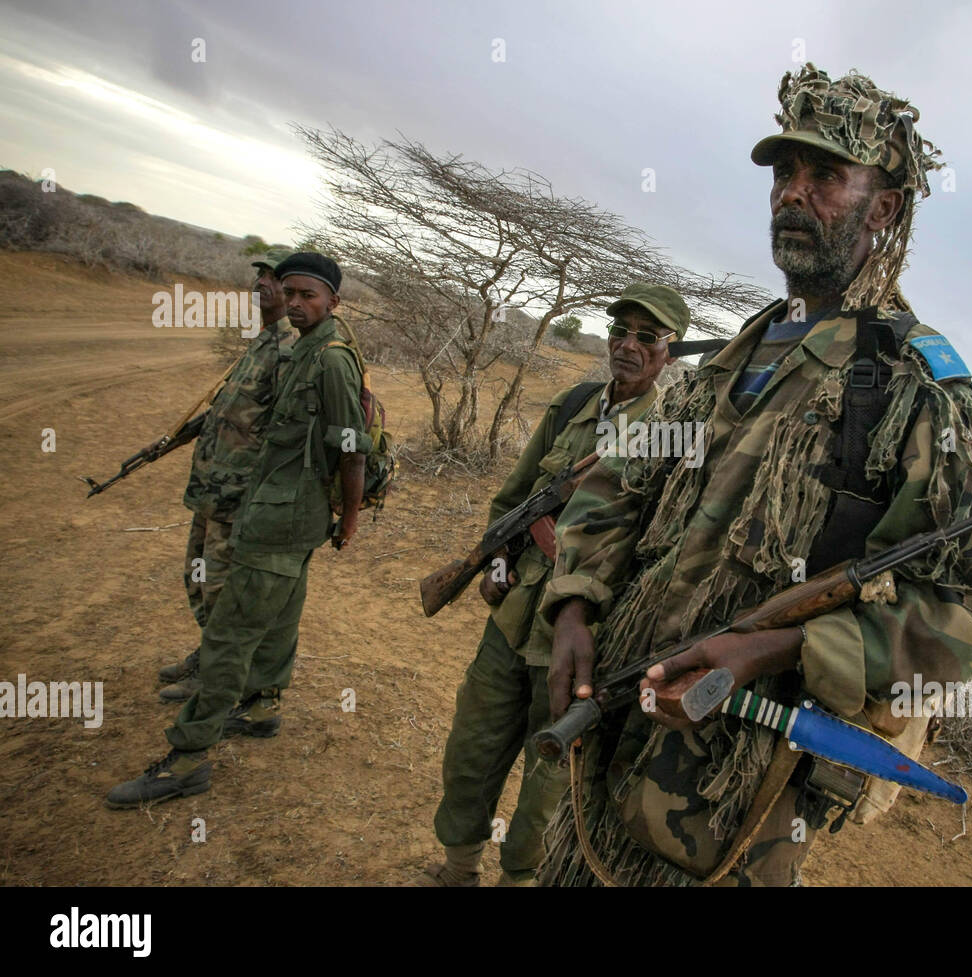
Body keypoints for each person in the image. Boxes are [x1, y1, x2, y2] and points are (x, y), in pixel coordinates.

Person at [538, 64, 972, 886]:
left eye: (826, 176)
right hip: (619, 721)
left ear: (884, 207)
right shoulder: (734, 355)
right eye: (784, 173)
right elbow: (618, 483)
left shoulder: (912, 386)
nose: (794, 194)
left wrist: (778, 647)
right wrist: (575, 605)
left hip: (739, 780)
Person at [424, 283, 689, 886]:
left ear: (668, 353)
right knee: (472, 751)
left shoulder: (671, 434)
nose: (627, 345)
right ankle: (457, 869)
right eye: (620, 330)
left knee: (547, 783)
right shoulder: (573, 406)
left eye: (646, 337)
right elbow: (513, 502)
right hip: (511, 618)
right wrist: (494, 562)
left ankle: (519, 878)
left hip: (580, 639)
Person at [107, 253, 367, 807]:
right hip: (278, 509)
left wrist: (350, 517)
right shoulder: (306, 347)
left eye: (307, 296)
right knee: (277, 618)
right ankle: (261, 708)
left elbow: (350, 446)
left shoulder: (331, 359)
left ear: (333, 302)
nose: (295, 304)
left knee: (229, 634)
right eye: (288, 293)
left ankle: (186, 758)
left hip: (284, 518)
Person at [157, 250, 297, 702]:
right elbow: (233, 411)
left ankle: (221, 680)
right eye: (259, 277)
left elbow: (284, 433)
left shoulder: (289, 349)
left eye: (272, 279)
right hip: (211, 490)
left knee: (222, 589)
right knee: (197, 577)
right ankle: (208, 655)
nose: (261, 285)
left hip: (239, 497)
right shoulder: (262, 340)